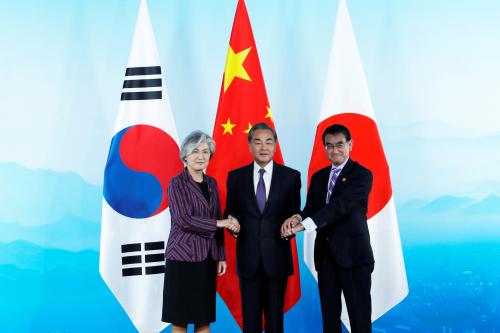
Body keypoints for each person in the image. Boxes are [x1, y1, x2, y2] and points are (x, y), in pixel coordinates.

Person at [281, 124, 374, 333]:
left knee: (359, 321)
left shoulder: (362, 175)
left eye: (340, 144)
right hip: (326, 257)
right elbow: (312, 208)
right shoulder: (319, 177)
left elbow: (339, 207)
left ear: (350, 144)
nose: (335, 150)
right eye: (329, 146)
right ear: (324, 148)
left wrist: (302, 227)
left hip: (354, 257)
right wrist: (296, 217)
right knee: (329, 321)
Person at [225, 123, 301, 333]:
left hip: (277, 257)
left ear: (275, 145)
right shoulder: (236, 177)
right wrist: (233, 225)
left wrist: (294, 219)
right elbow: (229, 212)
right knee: (250, 322)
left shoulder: (291, 177)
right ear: (250, 146)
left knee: (275, 321)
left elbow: (295, 211)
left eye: (269, 141)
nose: (263, 147)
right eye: (258, 142)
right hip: (248, 259)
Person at [163, 130, 240, 333]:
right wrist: (221, 223)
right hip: (182, 259)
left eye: (205, 152)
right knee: (180, 320)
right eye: (195, 151)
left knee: (203, 319)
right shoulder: (176, 184)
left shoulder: (212, 184)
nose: (200, 156)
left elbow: (217, 219)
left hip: (207, 259)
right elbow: (184, 220)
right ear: (185, 155)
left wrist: (221, 255)